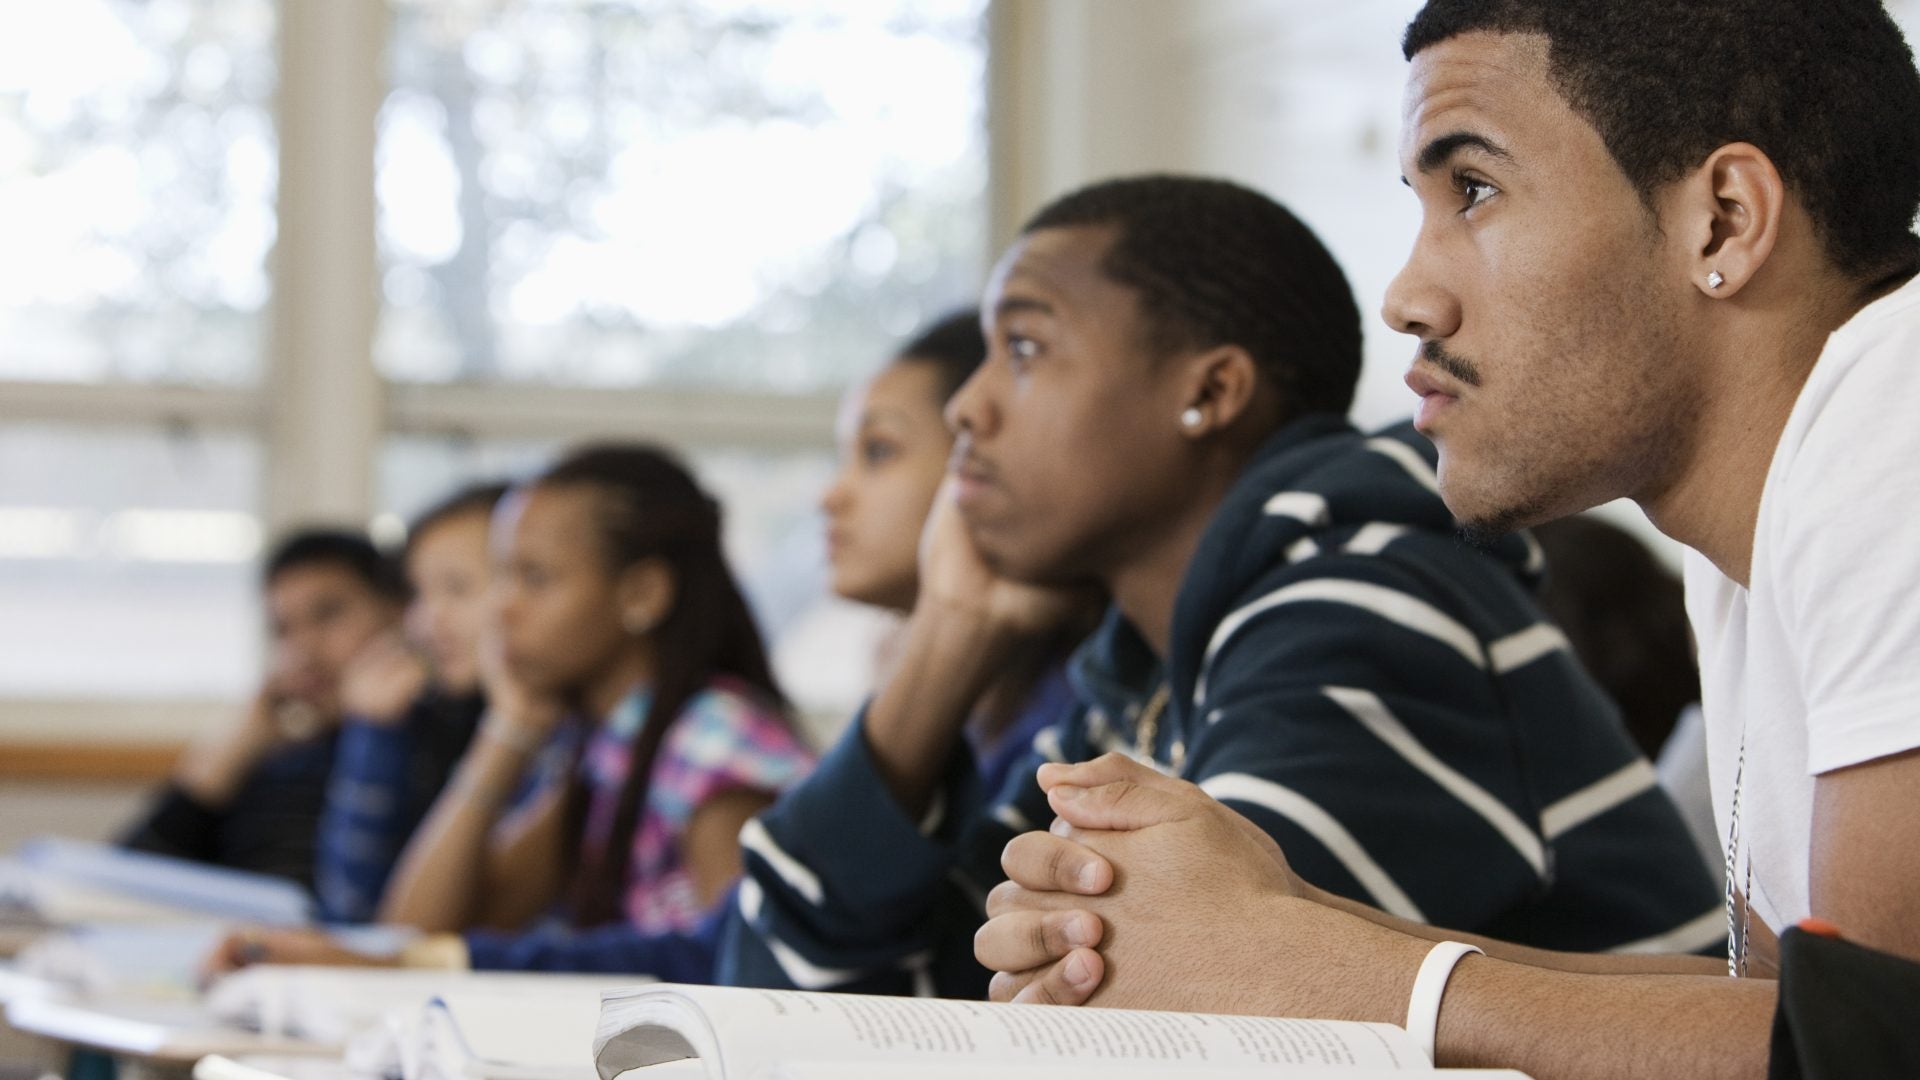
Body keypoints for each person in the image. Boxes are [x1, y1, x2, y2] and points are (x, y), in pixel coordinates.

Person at [973, 4, 1920, 1078]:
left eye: (1472, 189)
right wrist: (1275, 920)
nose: (1407, 297)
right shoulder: (1762, 523)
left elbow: (1872, 1048)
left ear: (1723, 220)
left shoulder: (1898, 412)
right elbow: (1778, 1012)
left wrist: (1314, 970)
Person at [722, 174, 1716, 1000]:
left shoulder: (1373, 607)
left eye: (1023, 348)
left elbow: (1149, 1014)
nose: (968, 409)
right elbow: (793, 991)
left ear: (1209, 392)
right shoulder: (1141, 683)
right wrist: (947, 632)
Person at [207, 444, 814, 976]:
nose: (501, 610)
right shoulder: (605, 746)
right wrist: (510, 730)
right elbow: (419, 927)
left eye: (534, 578)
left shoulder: (713, 746)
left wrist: (397, 961)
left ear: (641, 594)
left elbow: (742, 978)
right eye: (499, 579)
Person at [122, 530, 407, 888]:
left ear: (399, 612)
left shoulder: (423, 755)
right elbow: (126, 879)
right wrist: (234, 748)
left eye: (328, 614)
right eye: (283, 630)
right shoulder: (277, 759)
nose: (304, 649)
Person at [313, 482, 508, 923]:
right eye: (418, 595)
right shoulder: (438, 717)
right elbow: (351, 910)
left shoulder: (546, 734)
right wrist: (375, 738)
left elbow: (410, 933)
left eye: (457, 589)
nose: (424, 623)